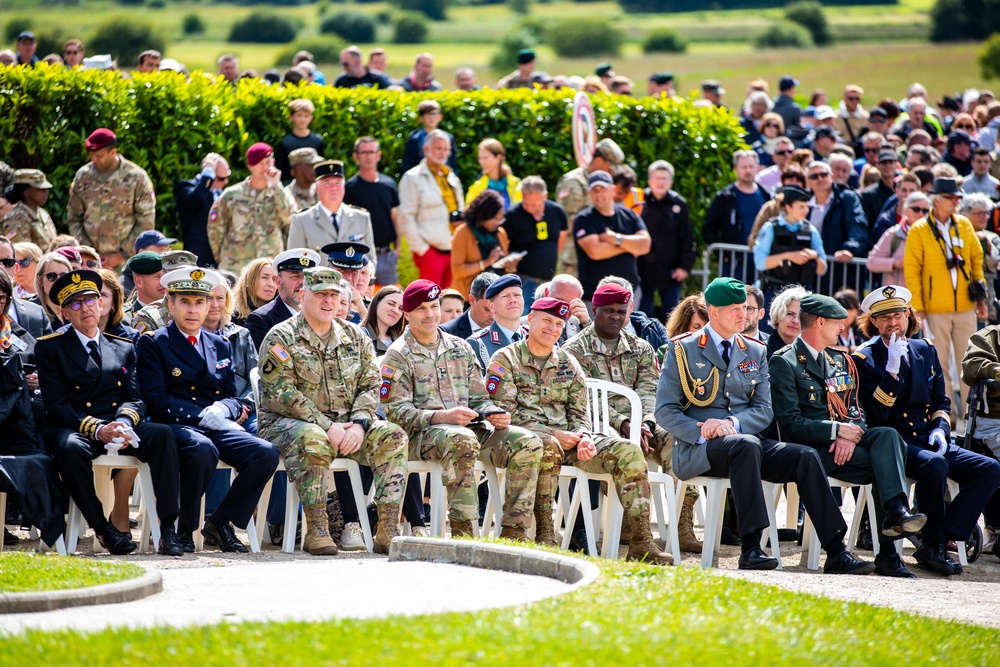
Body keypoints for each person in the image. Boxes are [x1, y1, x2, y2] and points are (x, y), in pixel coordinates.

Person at [656, 280, 874, 572]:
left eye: (745, 309)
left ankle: (836, 551)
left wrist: (731, 422)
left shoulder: (754, 350)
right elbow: (665, 411)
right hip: (700, 450)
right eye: (734, 309)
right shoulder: (684, 349)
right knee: (745, 445)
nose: (742, 315)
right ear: (713, 312)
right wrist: (702, 428)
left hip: (746, 444)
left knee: (803, 456)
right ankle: (751, 548)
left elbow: (764, 409)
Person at [490, 297, 672, 563]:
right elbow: (504, 414)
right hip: (525, 442)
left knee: (627, 450)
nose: (553, 328)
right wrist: (552, 434)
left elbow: (580, 411)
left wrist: (585, 436)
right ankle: (545, 534)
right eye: (547, 321)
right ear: (530, 320)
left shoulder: (567, 363)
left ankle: (641, 540)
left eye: (559, 324)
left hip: (570, 441)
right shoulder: (505, 359)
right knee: (546, 445)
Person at [769, 293, 927, 578]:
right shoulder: (786, 362)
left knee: (888, 437)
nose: (843, 328)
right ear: (819, 323)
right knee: (885, 462)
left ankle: (895, 511)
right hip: (813, 452)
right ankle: (889, 551)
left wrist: (848, 433)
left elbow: (857, 409)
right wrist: (836, 431)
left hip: (847, 446)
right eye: (836, 323)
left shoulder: (839, 361)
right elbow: (790, 423)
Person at [258, 267, 408, 555]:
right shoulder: (282, 336)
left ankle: (388, 529)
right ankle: (316, 528)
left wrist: (361, 423)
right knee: (313, 437)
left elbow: (370, 383)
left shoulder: (354, 335)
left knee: (393, 436)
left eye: (334, 295)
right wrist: (327, 425)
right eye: (320, 294)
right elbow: (282, 394)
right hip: (289, 425)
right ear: (302, 295)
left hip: (348, 427)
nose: (328, 301)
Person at [37, 269, 184, 556]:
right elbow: (57, 406)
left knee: (162, 435)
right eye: (76, 304)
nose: (86, 308)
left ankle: (168, 529)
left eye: (90, 300)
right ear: (65, 313)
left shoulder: (123, 346)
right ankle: (103, 529)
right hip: (77, 425)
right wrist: (98, 429)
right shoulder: (51, 348)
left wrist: (124, 422)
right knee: (68, 448)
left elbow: (135, 398)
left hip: (118, 426)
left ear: (101, 304)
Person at [855, 286, 1000, 575]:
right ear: (874, 321)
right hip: (893, 444)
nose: (893, 323)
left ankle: (946, 534)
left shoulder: (924, 349)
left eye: (898, 315)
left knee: (990, 468)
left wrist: (940, 428)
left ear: (908, 316)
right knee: (935, 465)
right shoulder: (865, 358)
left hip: (927, 437)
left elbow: (940, 400)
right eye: (884, 318)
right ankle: (932, 546)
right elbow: (876, 413)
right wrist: (892, 373)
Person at [381, 280, 539, 539]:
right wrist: (442, 417)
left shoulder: (460, 347)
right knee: (461, 438)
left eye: (434, 307)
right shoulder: (398, 354)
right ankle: (463, 532)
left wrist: (493, 412)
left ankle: (514, 531)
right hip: (421, 436)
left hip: (468, 429)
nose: (430, 314)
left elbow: (479, 398)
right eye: (421, 309)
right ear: (406, 314)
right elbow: (396, 413)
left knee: (526, 441)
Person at [136, 267, 278, 553]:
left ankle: (220, 521)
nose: (193, 310)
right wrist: (199, 414)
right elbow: (154, 398)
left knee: (265, 453)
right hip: (176, 425)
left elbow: (231, 393)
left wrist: (225, 407)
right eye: (185, 302)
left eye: (200, 302)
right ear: (171, 304)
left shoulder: (219, 343)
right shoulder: (155, 342)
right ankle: (183, 529)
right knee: (201, 449)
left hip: (214, 423)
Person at [563, 282, 702, 553]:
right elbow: (584, 399)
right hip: (599, 426)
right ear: (594, 310)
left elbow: (651, 388)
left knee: (680, 440)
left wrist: (645, 421)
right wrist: (624, 424)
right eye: (609, 310)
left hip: (642, 422)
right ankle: (627, 522)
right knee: (622, 449)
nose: (616, 316)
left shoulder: (641, 348)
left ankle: (683, 524)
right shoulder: (575, 350)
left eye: (621, 310)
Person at [904, 178, 987, 424]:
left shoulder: (964, 225)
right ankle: (946, 415)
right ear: (937, 199)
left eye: (958, 198)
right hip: (933, 308)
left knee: (968, 361)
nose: (956, 202)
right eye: (952, 198)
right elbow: (912, 270)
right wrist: (917, 309)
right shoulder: (919, 229)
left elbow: (976, 261)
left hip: (964, 306)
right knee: (939, 363)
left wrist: (980, 299)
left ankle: (972, 416)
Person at [66, 128, 156, 270]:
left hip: (125, 264)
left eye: (99, 156)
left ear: (113, 152)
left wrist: (122, 254)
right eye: (92, 155)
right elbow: (74, 217)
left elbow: (146, 221)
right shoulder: (83, 176)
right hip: (87, 263)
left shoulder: (136, 177)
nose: (94, 159)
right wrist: (87, 251)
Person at [208, 142, 295, 273]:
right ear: (250, 166)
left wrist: (276, 186)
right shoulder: (231, 195)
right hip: (235, 268)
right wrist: (223, 257)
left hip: (269, 269)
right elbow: (215, 229)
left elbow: (291, 218)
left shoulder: (280, 193)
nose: (266, 167)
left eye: (268, 162)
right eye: (261, 163)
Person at [398, 129, 465, 288]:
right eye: (438, 148)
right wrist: (422, 250)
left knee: (450, 304)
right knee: (430, 303)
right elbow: (406, 216)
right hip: (430, 251)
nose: (442, 153)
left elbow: (460, 208)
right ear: (425, 149)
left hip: (454, 249)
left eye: (446, 149)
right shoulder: (412, 178)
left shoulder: (452, 177)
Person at [573, 171, 651, 300]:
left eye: (602, 189)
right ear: (589, 193)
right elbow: (595, 251)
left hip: (629, 294)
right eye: (594, 190)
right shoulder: (584, 219)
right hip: (595, 296)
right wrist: (631, 247)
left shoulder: (629, 215)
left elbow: (645, 245)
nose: (598, 195)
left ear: (613, 190)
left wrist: (615, 238)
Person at [555, 138, 624, 278]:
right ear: (598, 161)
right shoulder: (573, 182)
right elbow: (567, 221)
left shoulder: (595, 181)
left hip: (598, 258)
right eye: (610, 168)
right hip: (575, 259)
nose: (611, 173)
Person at [288, 160, 377, 269]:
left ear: (344, 186)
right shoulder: (302, 220)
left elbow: (370, 261)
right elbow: (295, 265)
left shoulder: (362, 217)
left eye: (337, 183)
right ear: (317, 188)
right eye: (327, 183)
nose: (333, 188)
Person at [501, 176, 567, 312]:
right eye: (526, 204)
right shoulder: (513, 215)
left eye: (534, 204)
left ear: (545, 196)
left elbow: (561, 237)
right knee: (523, 316)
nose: (530, 208)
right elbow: (503, 242)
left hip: (549, 280)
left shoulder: (556, 211)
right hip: (524, 279)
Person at [637, 160, 694, 318]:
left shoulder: (678, 203)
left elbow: (687, 237)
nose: (660, 182)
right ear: (649, 180)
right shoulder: (640, 201)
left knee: (672, 316)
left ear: (671, 181)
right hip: (643, 271)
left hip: (670, 272)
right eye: (657, 178)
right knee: (641, 314)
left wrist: (684, 267)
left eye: (665, 178)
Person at [344, 137, 401, 287]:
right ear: (356, 156)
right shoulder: (349, 188)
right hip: (360, 257)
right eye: (364, 152)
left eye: (372, 152)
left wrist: (398, 248)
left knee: (390, 300)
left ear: (378, 155)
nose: (368, 156)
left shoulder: (389, 184)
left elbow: (395, 218)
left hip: (386, 255)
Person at [753, 185, 827, 300]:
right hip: (773, 292)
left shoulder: (811, 231)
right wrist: (789, 256)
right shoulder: (770, 228)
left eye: (807, 206)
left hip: (802, 295)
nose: (806, 210)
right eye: (801, 207)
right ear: (788, 207)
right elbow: (760, 262)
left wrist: (815, 257)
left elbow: (823, 269)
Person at [703, 150, 770, 273]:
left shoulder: (766, 196)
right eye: (743, 167)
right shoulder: (724, 197)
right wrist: (723, 254)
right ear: (735, 169)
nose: (748, 171)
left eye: (751, 166)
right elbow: (709, 229)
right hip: (734, 263)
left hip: (760, 263)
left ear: (757, 168)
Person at [245, 249, 322, 350]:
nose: (302, 283)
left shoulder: (321, 315)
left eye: (307, 277)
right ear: (278, 282)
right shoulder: (261, 320)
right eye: (295, 277)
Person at [450, 191, 513, 300]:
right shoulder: (462, 233)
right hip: (469, 299)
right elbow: (457, 271)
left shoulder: (500, 233)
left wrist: (510, 266)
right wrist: (487, 261)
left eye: (500, 219)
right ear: (483, 216)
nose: (498, 223)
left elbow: (505, 269)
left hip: (495, 298)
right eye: (495, 219)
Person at [175, 153, 230, 269]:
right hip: (199, 255)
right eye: (221, 178)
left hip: (220, 255)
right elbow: (198, 197)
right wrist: (208, 173)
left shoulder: (221, 194)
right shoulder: (185, 186)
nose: (226, 182)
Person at [867, 191, 928, 288]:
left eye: (925, 211)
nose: (921, 213)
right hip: (897, 298)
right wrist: (895, 263)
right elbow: (872, 262)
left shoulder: (932, 235)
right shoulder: (894, 233)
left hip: (923, 295)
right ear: (906, 210)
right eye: (916, 209)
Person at [467, 274, 525, 371]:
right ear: (491, 306)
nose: (513, 300)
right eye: (505, 296)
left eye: (517, 295)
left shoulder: (533, 335)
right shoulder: (478, 344)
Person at [1, 169, 57, 248]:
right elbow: (21, 255)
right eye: (40, 189)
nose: (45, 192)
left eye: (46, 189)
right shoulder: (16, 219)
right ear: (26, 192)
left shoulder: (43, 214)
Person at [275, 99, 325, 185]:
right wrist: (295, 172)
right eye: (299, 115)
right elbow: (279, 169)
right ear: (291, 117)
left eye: (306, 116)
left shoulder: (317, 140)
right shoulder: (285, 143)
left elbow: (321, 165)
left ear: (311, 118)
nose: (302, 120)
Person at [466, 139, 521, 210]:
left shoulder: (517, 185)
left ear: (498, 158)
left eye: (485, 158)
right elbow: (469, 217)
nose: (482, 162)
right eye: (480, 158)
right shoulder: (476, 189)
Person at [440, 271, 496, 340]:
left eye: (497, 309)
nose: (493, 316)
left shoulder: (509, 327)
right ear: (472, 300)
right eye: (487, 309)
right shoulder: (446, 332)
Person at [232, 257, 278, 326]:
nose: (271, 284)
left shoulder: (283, 314)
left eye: (274, 279)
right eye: (264, 277)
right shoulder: (231, 314)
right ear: (250, 280)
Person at [122, 251, 165, 323]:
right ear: (138, 281)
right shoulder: (126, 319)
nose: (163, 281)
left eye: (165, 275)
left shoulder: (176, 312)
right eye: (157, 276)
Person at [765, 284, 808, 358]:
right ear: (778, 315)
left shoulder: (808, 353)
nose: (795, 321)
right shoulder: (763, 351)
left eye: (800, 317)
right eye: (790, 314)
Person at [32, 252, 72, 328]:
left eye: (63, 276)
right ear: (40, 280)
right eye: (52, 276)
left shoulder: (76, 307)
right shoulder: (32, 312)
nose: (58, 281)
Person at [362, 285, 404, 356]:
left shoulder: (402, 343)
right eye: (391, 304)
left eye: (400, 308)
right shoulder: (359, 336)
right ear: (377, 303)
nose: (396, 311)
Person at [773, 75, 806, 143]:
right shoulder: (795, 108)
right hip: (790, 146)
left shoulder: (772, 106)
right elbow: (802, 130)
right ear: (790, 89)